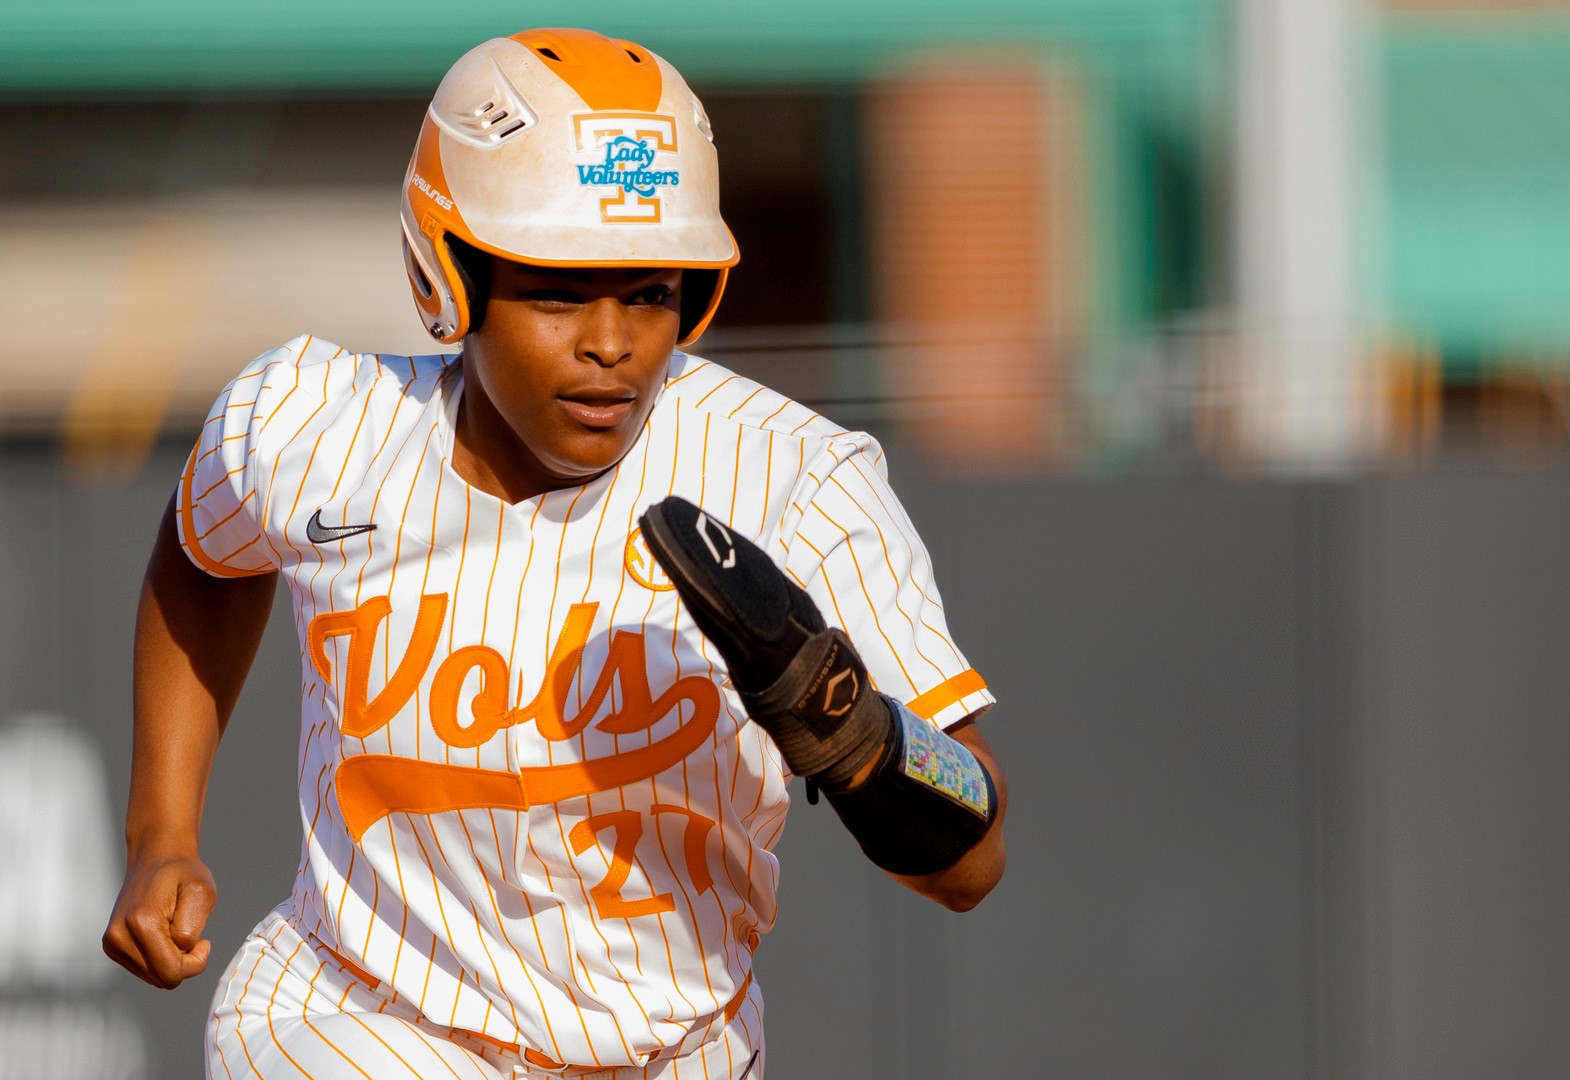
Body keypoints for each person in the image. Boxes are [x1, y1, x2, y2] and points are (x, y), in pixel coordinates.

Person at [101, 27, 1007, 1079]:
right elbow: (203, 553)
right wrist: (160, 831)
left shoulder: (793, 483)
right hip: (359, 1020)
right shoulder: (313, 424)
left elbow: (974, 849)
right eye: (558, 291)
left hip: (679, 1049)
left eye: (651, 292)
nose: (612, 343)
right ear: (448, 276)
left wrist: (863, 744)